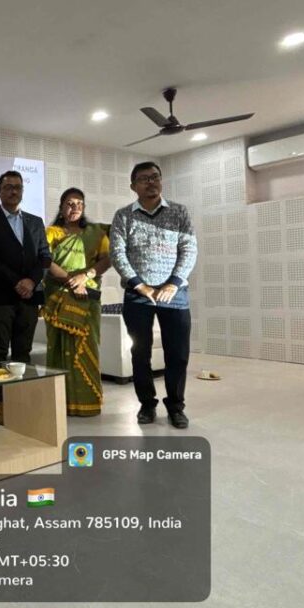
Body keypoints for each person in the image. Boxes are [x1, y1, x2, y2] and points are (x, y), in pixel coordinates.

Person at [109, 161, 197, 429]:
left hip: (175, 295)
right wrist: (140, 285)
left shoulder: (179, 212)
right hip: (138, 296)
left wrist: (173, 284)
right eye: (144, 179)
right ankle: (147, 404)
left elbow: (189, 249)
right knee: (140, 353)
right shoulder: (123, 216)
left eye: (155, 177)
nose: (151, 182)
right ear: (133, 185)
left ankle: (176, 406)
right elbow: (117, 254)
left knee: (178, 354)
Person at [0, 170, 51, 425]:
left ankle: (21, 398)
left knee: (23, 350)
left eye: (18, 187)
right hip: (0, 296)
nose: (13, 191)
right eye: (8, 187)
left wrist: (31, 281)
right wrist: (17, 282)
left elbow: (45, 256)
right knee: (0, 349)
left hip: (30, 296)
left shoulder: (35, 221)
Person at [43, 188, 112, 417]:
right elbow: (45, 260)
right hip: (58, 294)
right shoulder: (51, 232)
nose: (75, 208)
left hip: (88, 295)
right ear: (61, 207)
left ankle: (87, 402)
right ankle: (59, 402)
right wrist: (71, 281)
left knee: (88, 345)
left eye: (79, 204)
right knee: (58, 347)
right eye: (70, 203)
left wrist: (86, 276)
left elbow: (107, 259)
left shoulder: (96, 233)